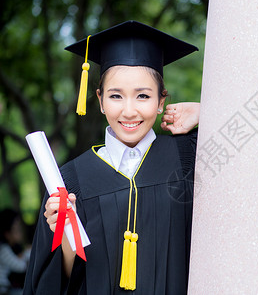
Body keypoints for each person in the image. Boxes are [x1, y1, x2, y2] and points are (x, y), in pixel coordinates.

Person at [24, 20, 200, 294]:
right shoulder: (70, 182)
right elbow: (57, 284)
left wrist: (205, 112)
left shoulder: (189, 156)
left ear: (161, 101)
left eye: (143, 95)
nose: (129, 111)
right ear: (100, 100)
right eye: (116, 96)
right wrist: (66, 232)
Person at [0, 209, 30, 295]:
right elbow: (21, 266)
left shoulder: (12, 248)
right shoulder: (3, 250)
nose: (20, 233)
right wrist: (28, 253)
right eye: (16, 229)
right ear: (7, 233)